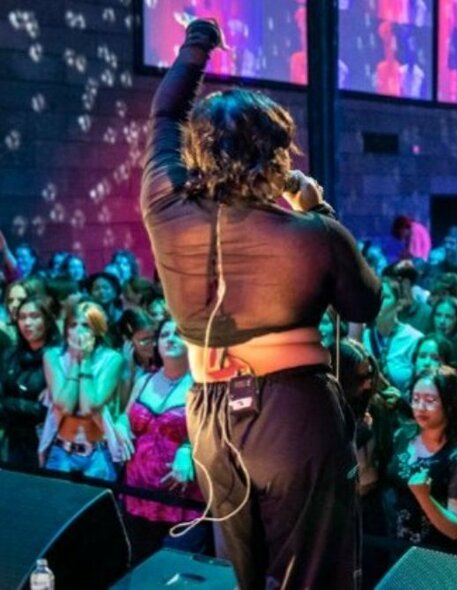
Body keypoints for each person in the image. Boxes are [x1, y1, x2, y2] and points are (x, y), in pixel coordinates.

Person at [141, 19, 381, 590]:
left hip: (209, 419)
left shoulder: (164, 202)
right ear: (277, 155)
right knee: (313, 577)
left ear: (199, 151)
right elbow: (366, 304)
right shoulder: (310, 235)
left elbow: (164, 116)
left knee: (236, 577)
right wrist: (317, 210)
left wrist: (198, 42)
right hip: (292, 415)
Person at [116, 319, 208, 564]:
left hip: (181, 500)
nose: (170, 338)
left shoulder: (203, 386)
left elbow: (215, 435)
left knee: (173, 573)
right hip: (136, 494)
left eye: (178, 333)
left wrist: (189, 448)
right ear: (156, 344)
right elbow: (126, 417)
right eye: (165, 334)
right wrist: (120, 425)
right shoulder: (144, 381)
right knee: (138, 569)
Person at [385, 367, 457, 551]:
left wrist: (424, 496)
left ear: (449, 405)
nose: (421, 407)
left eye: (430, 400)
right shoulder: (402, 436)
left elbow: (456, 529)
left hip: (440, 556)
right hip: (400, 546)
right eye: (416, 399)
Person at [41, 301, 124, 481]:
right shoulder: (53, 356)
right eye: (73, 325)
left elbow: (89, 407)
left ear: (97, 329)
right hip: (62, 451)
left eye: (85, 325)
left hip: (98, 454)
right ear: (66, 330)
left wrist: (85, 360)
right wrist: (73, 363)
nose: (79, 331)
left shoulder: (112, 359)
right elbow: (64, 405)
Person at [0, 295, 59, 467]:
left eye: (34, 317)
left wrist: (9, 404)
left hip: (47, 442)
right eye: (22, 317)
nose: (27, 323)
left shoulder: (59, 357)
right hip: (13, 442)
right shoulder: (10, 355)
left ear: (47, 320)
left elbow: (47, 410)